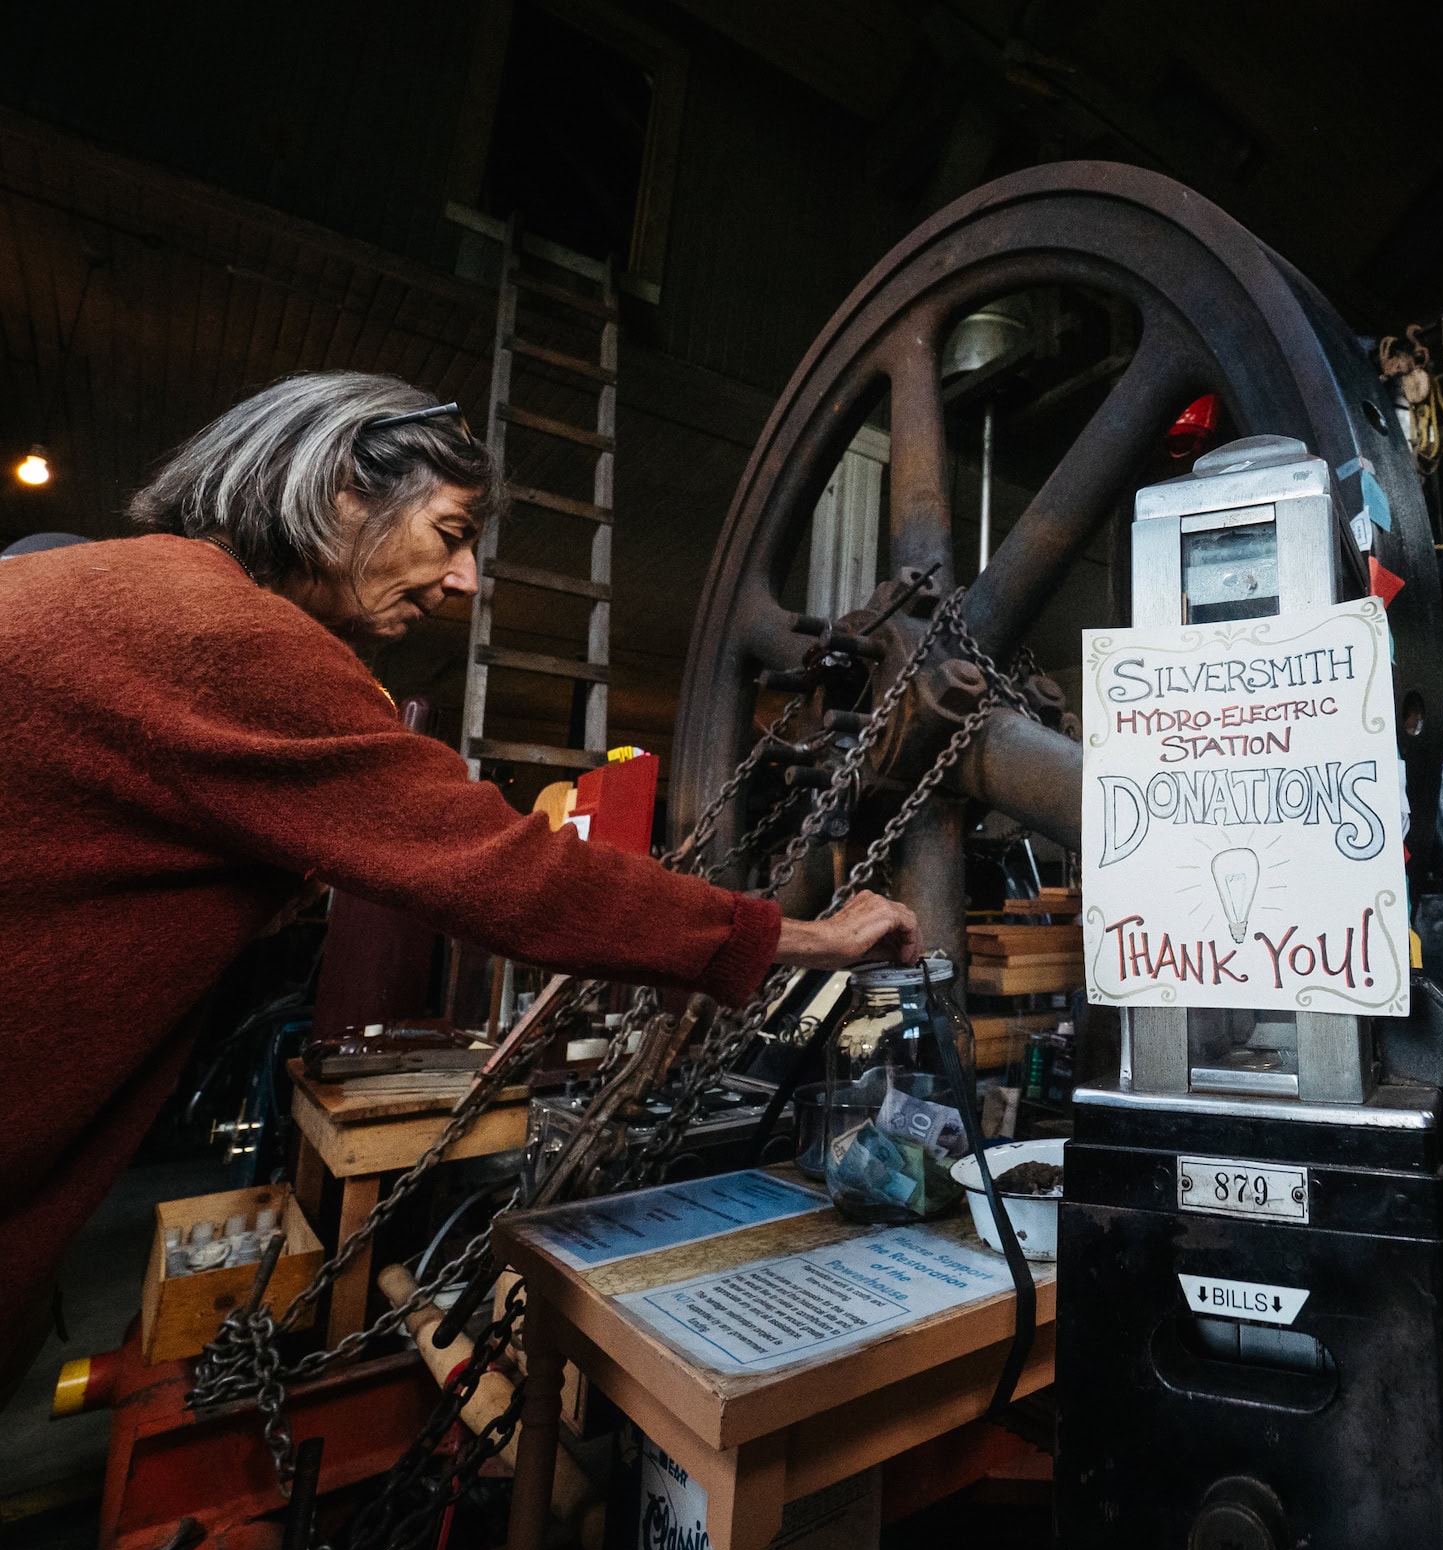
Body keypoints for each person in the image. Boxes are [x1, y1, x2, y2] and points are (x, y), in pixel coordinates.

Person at [0, 371, 920, 1379]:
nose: (467, 581)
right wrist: (808, 939)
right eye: (448, 533)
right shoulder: (229, 635)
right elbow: (516, 877)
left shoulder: (100, 585)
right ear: (344, 489)